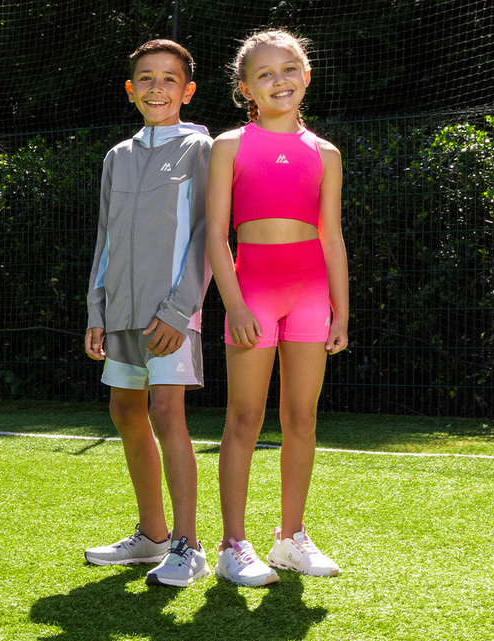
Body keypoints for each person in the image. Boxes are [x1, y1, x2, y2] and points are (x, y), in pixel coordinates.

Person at [204, 28, 349, 587]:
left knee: (302, 419)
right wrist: (234, 304)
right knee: (244, 419)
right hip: (253, 295)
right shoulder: (229, 146)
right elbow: (216, 236)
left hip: (311, 295)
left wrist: (341, 311)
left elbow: (332, 236)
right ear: (246, 89)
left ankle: (290, 538)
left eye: (289, 69)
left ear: (306, 76)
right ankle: (233, 545)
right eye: (264, 74)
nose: (279, 80)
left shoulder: (326, 153)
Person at [80, 38, 214, 588]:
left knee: (166, 413)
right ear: (131, 89)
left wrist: (181, 311)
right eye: (146, 79)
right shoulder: (117, 156)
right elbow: (106, 238)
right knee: (125, 411)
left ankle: (188, 545)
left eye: (169, 79)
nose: (157, 88)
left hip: (171, 315)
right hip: (120, 311)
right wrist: (97, 309)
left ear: (188, 90)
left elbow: (208, 236)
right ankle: (152, 535)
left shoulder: (202, 149)